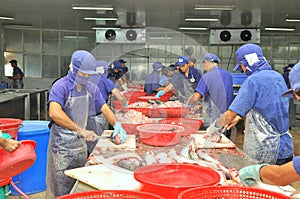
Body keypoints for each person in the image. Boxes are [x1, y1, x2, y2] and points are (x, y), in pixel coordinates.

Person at [46, 50, 127, 198]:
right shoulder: (61, 86)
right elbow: (54, 112)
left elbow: (104, 107)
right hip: (62, 147)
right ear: (75, 70)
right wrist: (79, 129)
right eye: (85, 73)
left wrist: (116, 124)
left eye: (90, 73)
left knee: (80, 187)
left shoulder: (90, 87)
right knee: (61, 188)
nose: (88, 76)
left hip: (81, 146)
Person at [207, 43, 293, 165]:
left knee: (261, 182)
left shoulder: (253, 80)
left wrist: (211, 129)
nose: (242, 70)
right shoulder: (277, 76)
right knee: (280, 183)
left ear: (248, 63)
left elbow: (230, 114)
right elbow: (267, 108)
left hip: (266, 149)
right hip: (285, 147)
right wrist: (238, 117)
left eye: (242, 66)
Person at [239, 62, 300, 186]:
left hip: (275, 146)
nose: (298, 99)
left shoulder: (253, 81)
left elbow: (280, 176)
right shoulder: (276, 77)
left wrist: (255, 171)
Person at [187, 53, 234, 137]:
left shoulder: (207, 76)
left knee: (212, 143)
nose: (204, 67)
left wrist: (186, 106)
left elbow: (196, 97)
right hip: (228, 116)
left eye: (203, 64)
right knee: (225, 142)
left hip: (214, 118)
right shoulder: (228, 75)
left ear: (207, 62)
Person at [86, 60, 127, 154]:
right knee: (100, 145)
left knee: (89, 141)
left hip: (84, 118)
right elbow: (120, 98)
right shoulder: (105, 81)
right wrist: (126, 104)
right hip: (98, 116)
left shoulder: (86, 80)